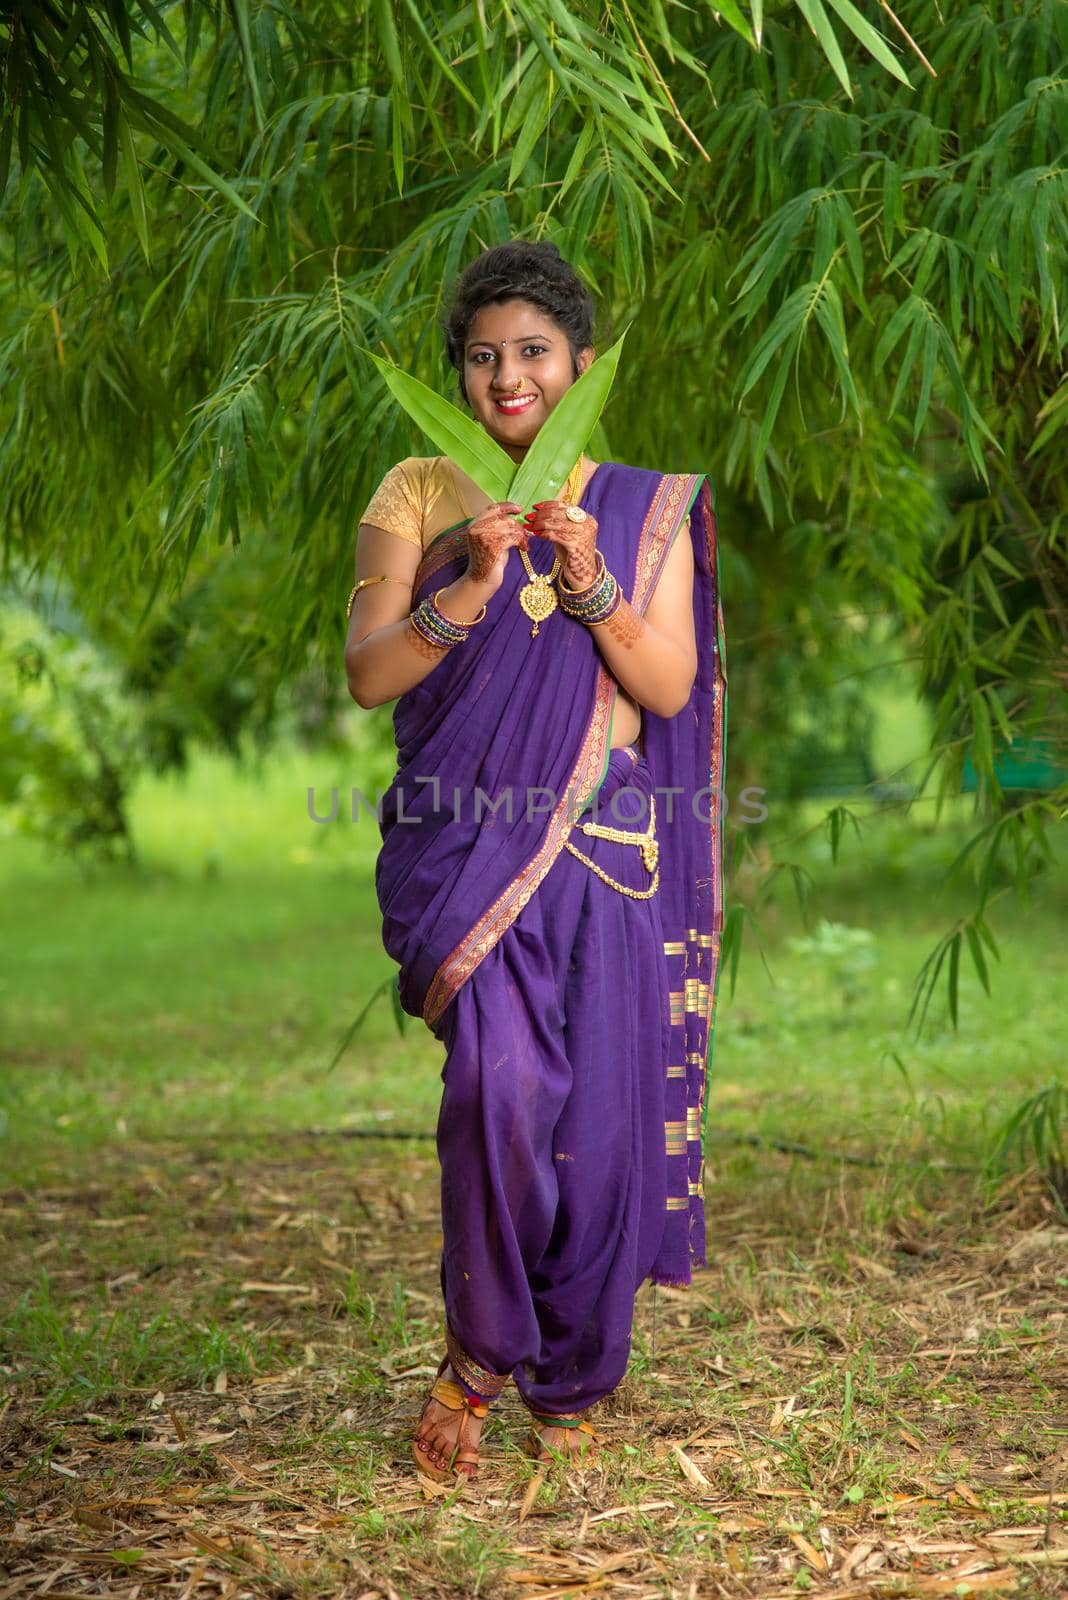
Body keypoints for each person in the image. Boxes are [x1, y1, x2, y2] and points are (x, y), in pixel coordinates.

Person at [344, 240, 727, 1481]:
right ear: (459, 370)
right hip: (466, 853)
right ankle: (477, 1354)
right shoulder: (417, 491)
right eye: (482, 354)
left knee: (601, 1132)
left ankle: (574, 1381)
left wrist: (589, 573)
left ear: (579, 365)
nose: (507, 376)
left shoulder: (636, 503)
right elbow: (369, 672)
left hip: (604, 859)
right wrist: (475, 579)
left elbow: (664, 684)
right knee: (495, 1093)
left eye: (533, 353)